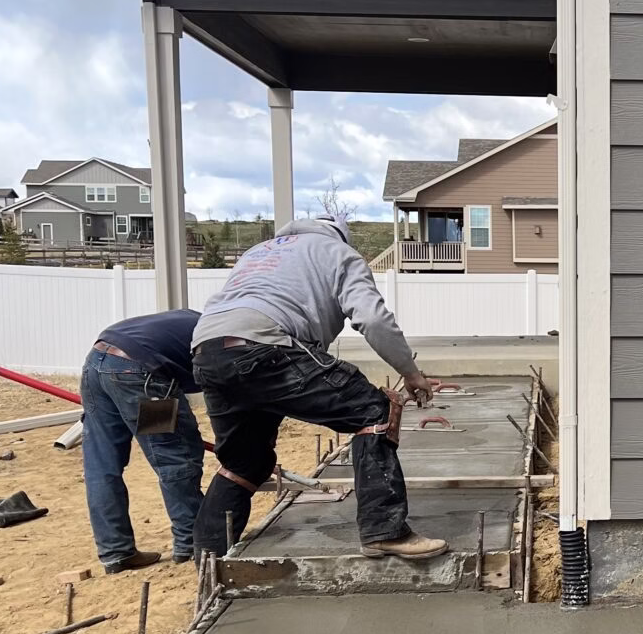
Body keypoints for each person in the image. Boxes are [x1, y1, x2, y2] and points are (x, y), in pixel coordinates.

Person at [190, 212, 446, 559]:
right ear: (340, 236)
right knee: (374, 408)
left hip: (207, 350)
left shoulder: (259, 252)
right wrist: (411, 374)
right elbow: (371, 318)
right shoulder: (337, 253)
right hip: (266, 344)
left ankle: (208, 556)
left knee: (243, 462)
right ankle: (384, 530)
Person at [81, 309, 205, 572]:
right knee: (174, 454)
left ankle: (116, 551)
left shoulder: (195, 323)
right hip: (139, 372)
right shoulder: (214, 339)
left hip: (96, 364)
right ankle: (192, 542)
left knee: (101, 465)